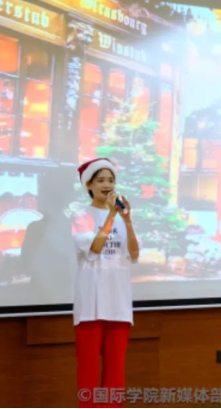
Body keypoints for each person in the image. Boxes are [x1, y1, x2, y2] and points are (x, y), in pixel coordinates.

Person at [71, 158, 140, 408]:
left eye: (111, 180)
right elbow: (95, 247)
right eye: (100, 180)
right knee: (88, 370)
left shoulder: (122, 218)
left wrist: (127, 220)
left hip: (118, 302)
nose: (107, 185)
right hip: (90, 304)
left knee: (115, 370)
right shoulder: (81, 216)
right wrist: (112, 215)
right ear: (89, 185)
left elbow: (134, 254)